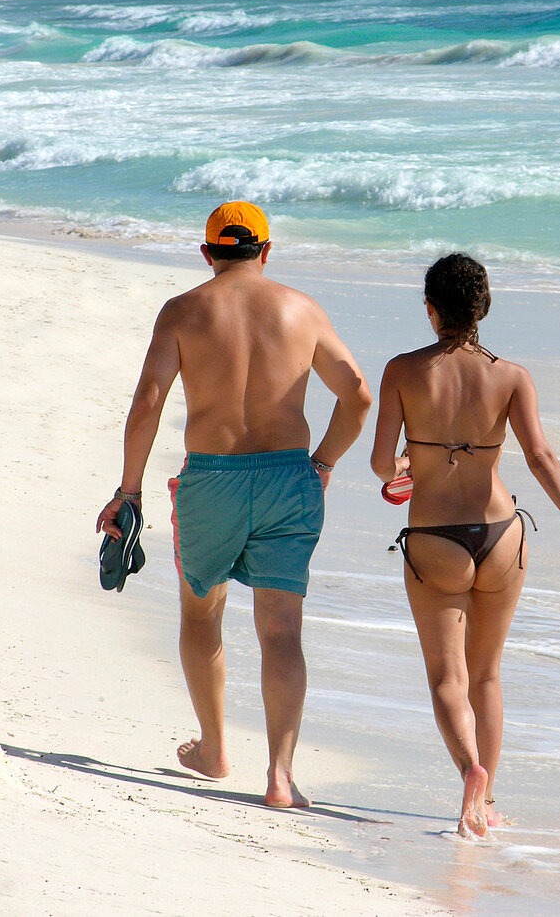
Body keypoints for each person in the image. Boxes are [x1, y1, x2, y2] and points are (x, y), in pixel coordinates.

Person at [97, 202, 372, 807]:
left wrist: (128, 491)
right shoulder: (301, 310)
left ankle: (215, 747)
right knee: (281, 630)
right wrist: (321, 462)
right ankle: (279, 776)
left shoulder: (183, 311)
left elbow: (146, 405)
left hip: (212, 481)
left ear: (207, 254)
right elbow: (357, 394)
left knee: (202, 615)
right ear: (268, 251)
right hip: (286, 479)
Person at [370, 253, 560, 838]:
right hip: (503, 534)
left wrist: (408, 464)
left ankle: (469, 772)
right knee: (487, 674)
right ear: (483, 308)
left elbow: (383, 464)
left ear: (430, 310)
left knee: (446, 677)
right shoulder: (511, 376)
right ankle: (487, 802)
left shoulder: (401, 371)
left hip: (435, 538)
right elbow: (539, 457)